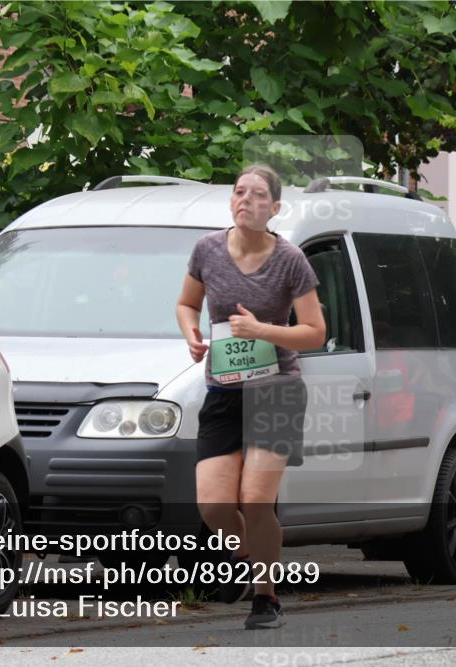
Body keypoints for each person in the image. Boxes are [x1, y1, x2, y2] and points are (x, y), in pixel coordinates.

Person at [175, 165, 326, 630]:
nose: (246, 200)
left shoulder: (290, 260)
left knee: (256, 500)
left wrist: (262, 330)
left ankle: (266, 598)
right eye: (240, 192)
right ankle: (251, 553)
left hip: (276, 389)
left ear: (274, 208)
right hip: (223, 390)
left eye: (258, 195)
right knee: (215, 506)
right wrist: (192, 335)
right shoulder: (207, 251)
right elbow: (186, 304)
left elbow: (316, 333)